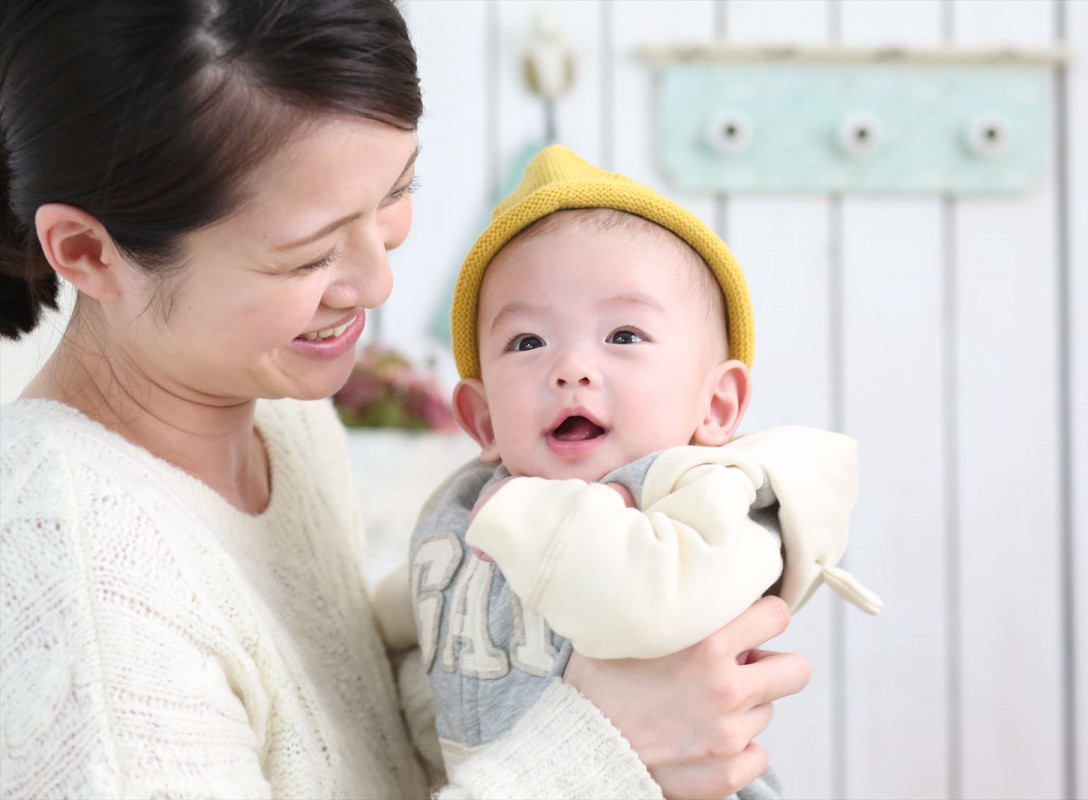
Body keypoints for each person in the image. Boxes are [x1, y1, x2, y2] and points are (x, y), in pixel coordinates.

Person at [0, 2, 812, 799]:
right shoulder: (77, 576)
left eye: (394, 193)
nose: (377, 283)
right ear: (87, 251)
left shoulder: (282, 419)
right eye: (308, 254)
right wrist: (601, 751)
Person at [378, 145, 881, 798]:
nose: (572, 368)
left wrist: (532, 516)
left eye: (623, 336)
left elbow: (652, 605)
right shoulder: (468, 499)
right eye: (528, 342)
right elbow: (426, 588)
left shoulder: (699, 497)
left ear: (716, 403)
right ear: (482, 420)